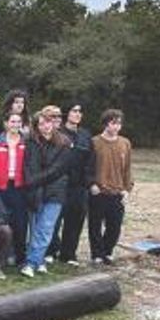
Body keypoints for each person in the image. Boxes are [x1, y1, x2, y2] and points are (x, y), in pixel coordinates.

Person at [20, 106, 71, 278]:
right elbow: (28, 166)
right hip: (35, 191)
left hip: (55, 192)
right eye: (41, 123)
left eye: (48, 122)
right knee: (35, 228)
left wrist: (34, 180)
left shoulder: (64, 142)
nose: (45, 126)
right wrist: (32, 182)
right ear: (36, 125)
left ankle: (31, 263)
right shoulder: (30, 142)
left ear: (54, 123)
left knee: (46, 228)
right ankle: (39, 260)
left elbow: (58, 170)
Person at [48, 102, 94, 266]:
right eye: (74, 110)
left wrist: (88, 182)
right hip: (60, 184)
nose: (78, 114)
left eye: (80, 111)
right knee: (54, 219)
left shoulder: (85, 135)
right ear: (67, 114)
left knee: (75, 220)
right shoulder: (57, 133)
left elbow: (91, 159)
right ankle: (51, 251)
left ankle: (69, 254)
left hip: (79, 185)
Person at [88, 109, 133, 265]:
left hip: (117, 191)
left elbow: (127, 168)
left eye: (119, 123)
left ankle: (107, 251)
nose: (116, 126)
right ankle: (97, 254)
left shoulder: (125, 143)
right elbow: (88, 167)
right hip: (98, 191)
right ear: (106, 124)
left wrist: (127, 189)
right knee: (95, 225)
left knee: (114, 226)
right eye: (113, 123)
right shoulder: (94, 142)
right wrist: (92, 184)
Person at [0, 111, 29, 266]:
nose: (15, 125)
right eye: (12, 121)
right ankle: (1, 257)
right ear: (6, 123)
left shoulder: (26, 142)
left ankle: (21, 257)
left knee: (20, 223)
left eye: (18, 122)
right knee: (1, 222)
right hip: (0, 188)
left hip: (18, 187)